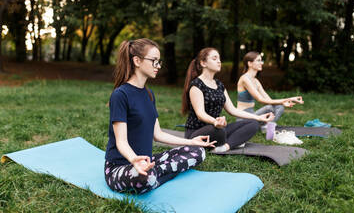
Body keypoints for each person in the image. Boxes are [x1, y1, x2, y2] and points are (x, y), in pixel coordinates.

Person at [105, 38, 216, 194]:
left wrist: (191, 141)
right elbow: (121, 142)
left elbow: (158, 134)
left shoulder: (149, 94)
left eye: (159, 61)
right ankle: (155, 175)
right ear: (137, 61)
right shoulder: (120, 95)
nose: (158, 66)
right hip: (121, 167)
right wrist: (134, 160)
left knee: (198, 152)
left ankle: (155, 174)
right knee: (144, 178)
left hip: (148, 162)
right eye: (154, 61)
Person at [181, 47, 274, 153]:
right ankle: (234, 141)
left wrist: (258, 117)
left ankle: (225, 147)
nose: (219, 61)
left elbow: (232, 110)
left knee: (253, 124)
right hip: (197, 133)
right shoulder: (196, 85)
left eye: (219, 58)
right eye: (214, 58)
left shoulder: (219, 85)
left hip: (217, 127)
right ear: (203, 63)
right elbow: (200, 113)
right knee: (219, 132)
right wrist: (215, 122)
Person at [236, 51, 304, 128]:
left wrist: (290, 99)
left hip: (253, 116)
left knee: (278, 106)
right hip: (243, 119)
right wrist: (284, 101)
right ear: (250, 63)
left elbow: (268, 100)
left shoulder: (256, 81)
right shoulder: (245, 79)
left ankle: (266, 126)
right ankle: (265, 127)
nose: (261, 63)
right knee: (277, 105)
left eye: (261, 60)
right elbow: (260, 99)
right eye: (258, 60)